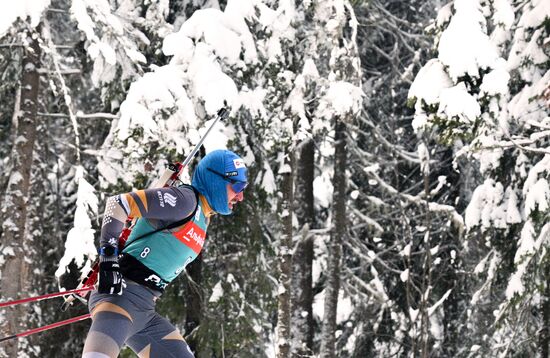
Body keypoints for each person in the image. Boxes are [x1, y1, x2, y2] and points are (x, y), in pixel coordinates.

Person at [82, 149, 248, 358]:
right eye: (238, 186)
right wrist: (108, 262)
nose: (240, 196)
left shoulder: (202, 217)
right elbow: (118, 204)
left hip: (143, 313)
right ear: (216, 181)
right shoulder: (185, 201)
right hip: (117, 300)